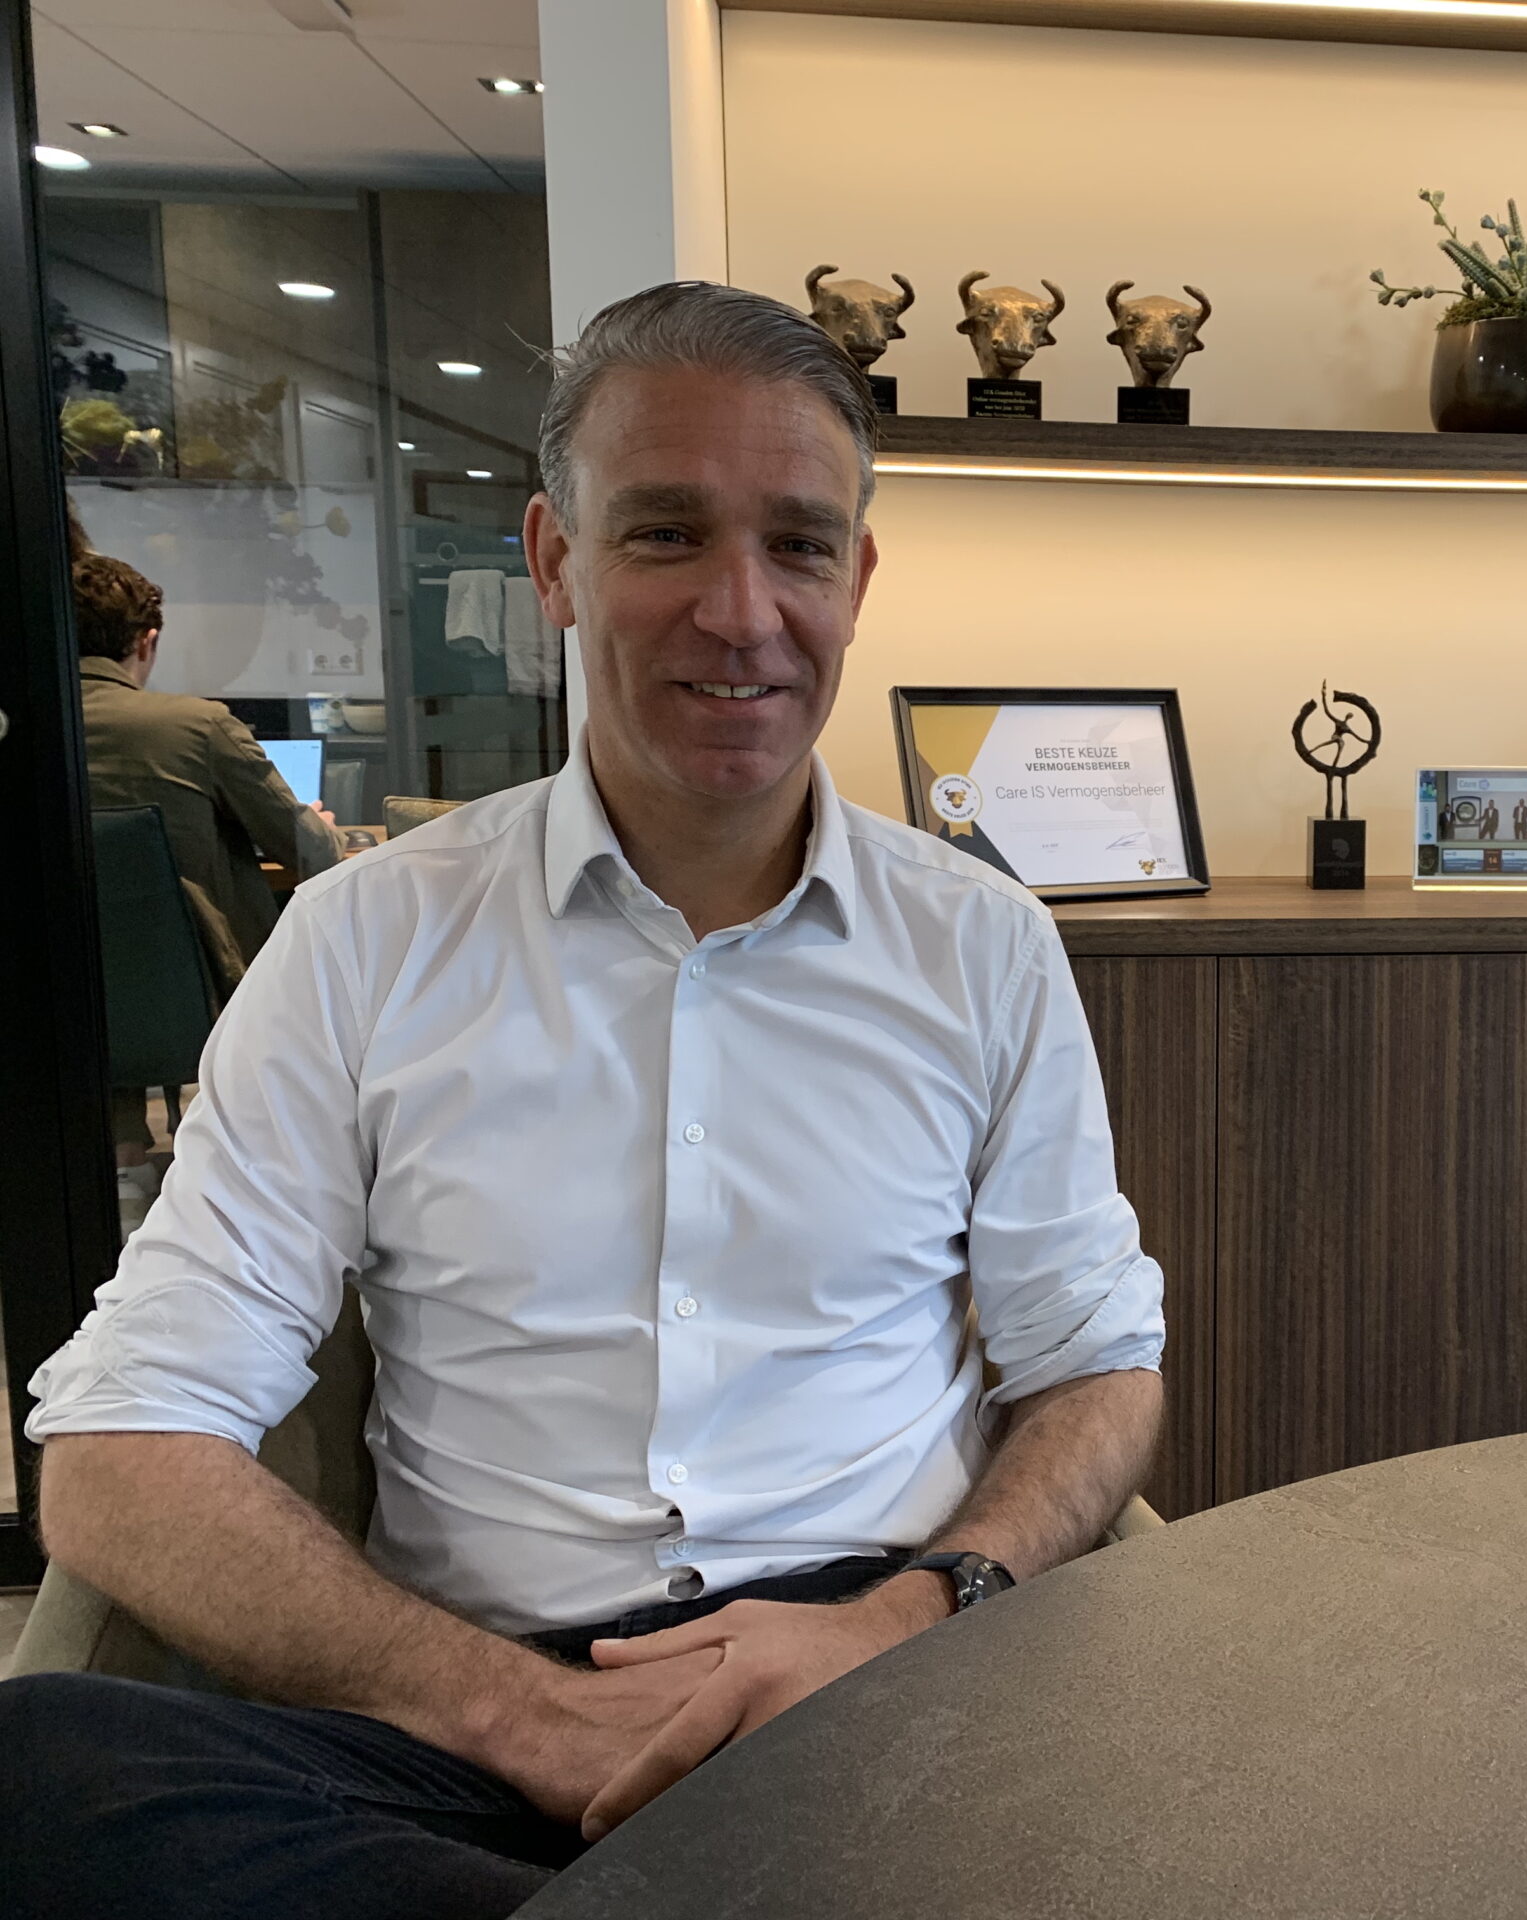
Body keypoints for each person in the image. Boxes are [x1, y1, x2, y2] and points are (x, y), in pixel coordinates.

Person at [2, 281, 1168, 1919]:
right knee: (38, 1772)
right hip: (472, 1724)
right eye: (667, 534)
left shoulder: (979, 947)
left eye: (799, 545)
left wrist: (908, 1616)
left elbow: (1093, 1366)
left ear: (856, 581)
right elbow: (121, 1449)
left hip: (874, 1688)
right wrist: (522, 1717)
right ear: (554, 561)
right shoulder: (366, 942)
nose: (742, 612)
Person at [70, 551, 342, 1183]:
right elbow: (311, 853)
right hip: (201, 992)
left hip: (68, 991)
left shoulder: (28, 729)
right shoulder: (196, 725)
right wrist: (321, 826)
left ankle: (123, 1149)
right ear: (147, 641)